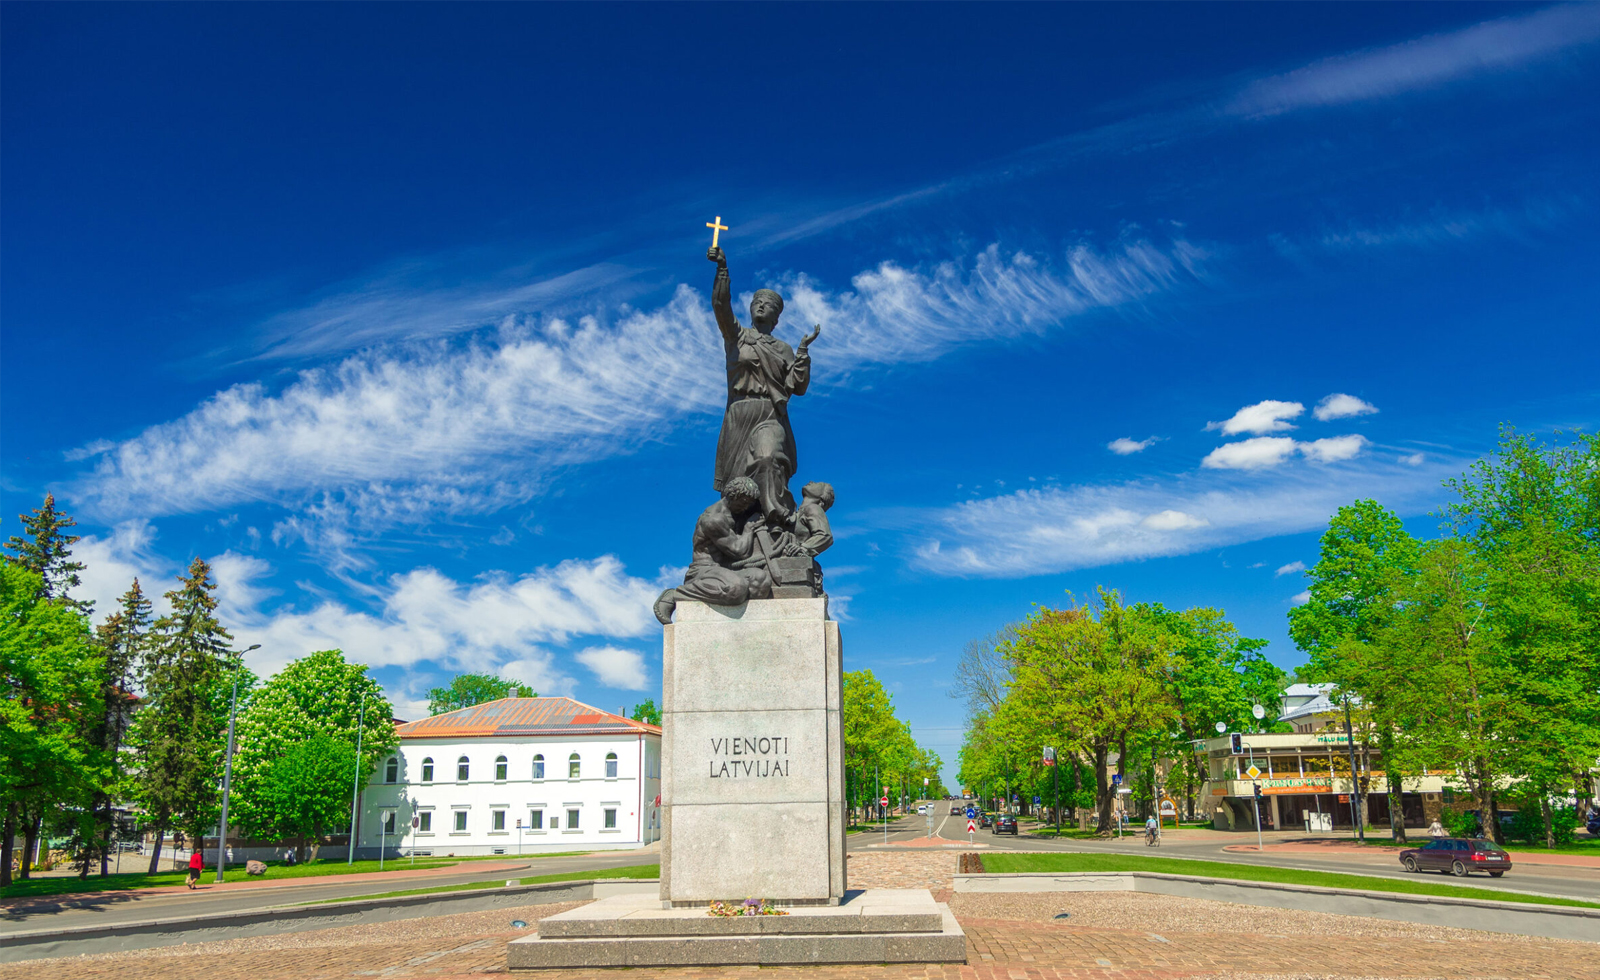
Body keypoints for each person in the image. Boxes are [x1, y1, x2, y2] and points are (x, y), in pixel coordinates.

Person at [708, 245, 820, 526]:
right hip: (739, 413)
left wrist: (803, 351)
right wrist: (722, 270)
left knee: (768, 458)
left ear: (776, 317)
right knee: (737, 484)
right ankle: (736, 530)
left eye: (766, 304)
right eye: (756, 302)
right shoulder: (737, 336)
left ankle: (776, 518)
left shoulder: (782, 349)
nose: (760, 305)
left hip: (769, 413)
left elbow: (797, 386)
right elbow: (721, 306)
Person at [654, 478, 775, 623]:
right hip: (704, 571)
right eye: (743, 502)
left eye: (749, 503)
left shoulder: (734, 514)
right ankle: (675, 595)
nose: (746, 507)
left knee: (760, 581)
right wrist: (749, 528)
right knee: (736, 589)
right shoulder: (713, 519)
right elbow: (740, 551)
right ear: (733, 496)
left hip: (725, 570)